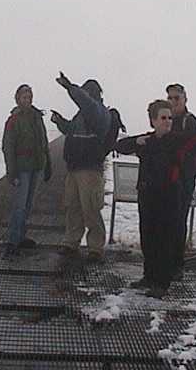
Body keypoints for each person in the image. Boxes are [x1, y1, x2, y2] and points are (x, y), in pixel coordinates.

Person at [115, 100, 196, 298]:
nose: (168, 121)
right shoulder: (147, 141)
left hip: (169, 197)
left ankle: (162, 283)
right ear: (153, 121)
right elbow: (119, 146)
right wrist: (137, 141)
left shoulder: (177, 140)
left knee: (165, 239)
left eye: (170, 118)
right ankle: (149, 277)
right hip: (147, 195)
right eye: (163, 118)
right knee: (148, 238)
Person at [51, 72, 111, 262]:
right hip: (75, 167)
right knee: (74, 208)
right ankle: (71, 243)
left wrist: (70, 86)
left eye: (86, 92)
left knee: (91, 209)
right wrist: (60, 121)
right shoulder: (84, 113)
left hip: (90, 170)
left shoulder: (98, 111)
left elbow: (85, 101)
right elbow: (71, 130)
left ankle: (95, 248)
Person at [2, 84, 52, 256]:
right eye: (24, 97)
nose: (27, 100)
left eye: (29, 97)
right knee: (19, 206)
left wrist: (48, 164)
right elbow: (8, 147)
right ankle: (12, 241)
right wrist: (12, 172)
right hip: (22, 169)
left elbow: (44, 141)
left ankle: (21, 237)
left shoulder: (37, 118)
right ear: (18, 99)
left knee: (29, 205)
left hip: (36, 166)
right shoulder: (13, 120)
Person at [166, 83, 196, 277]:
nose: (173, 101)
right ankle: (166, 260)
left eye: (177, 98)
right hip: (167, 179)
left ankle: (176, 265)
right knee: (166, 220)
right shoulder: (166, 118)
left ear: (185, 99)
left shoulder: (191, 122)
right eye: (170, 98)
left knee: (178, 220)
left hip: (184, 180)